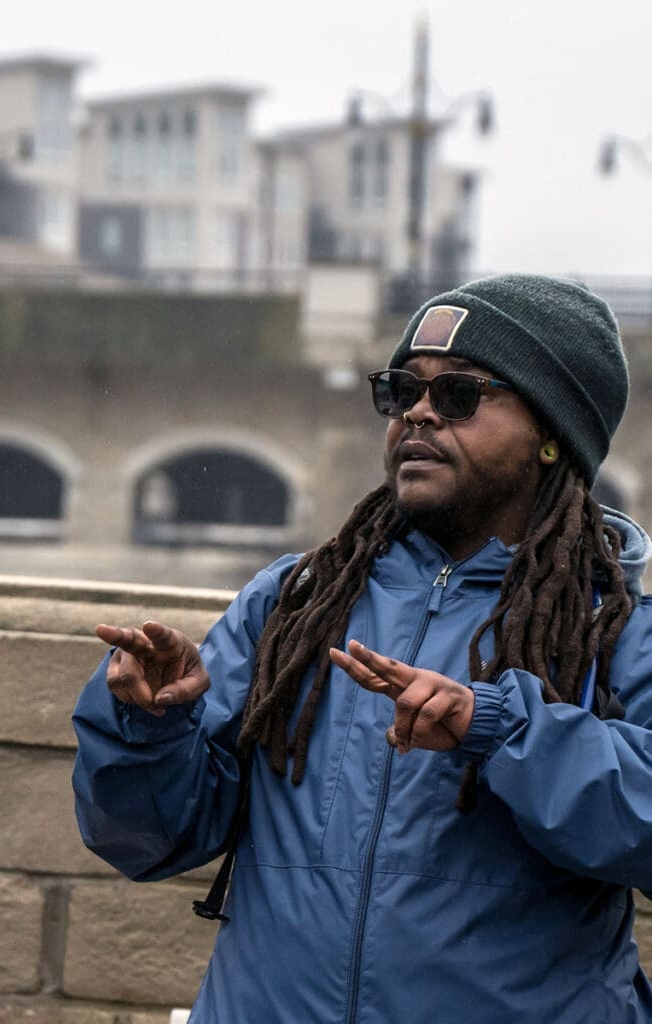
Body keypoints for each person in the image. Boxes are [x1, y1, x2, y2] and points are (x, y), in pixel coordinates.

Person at [72, 273, 652, 1024]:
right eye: (401, 389)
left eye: (459, 394)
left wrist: (500, 729)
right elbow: (149, 841)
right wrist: (150, 727)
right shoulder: (298, 601)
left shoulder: (618, 631)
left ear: (552, 436)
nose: (418, 412)